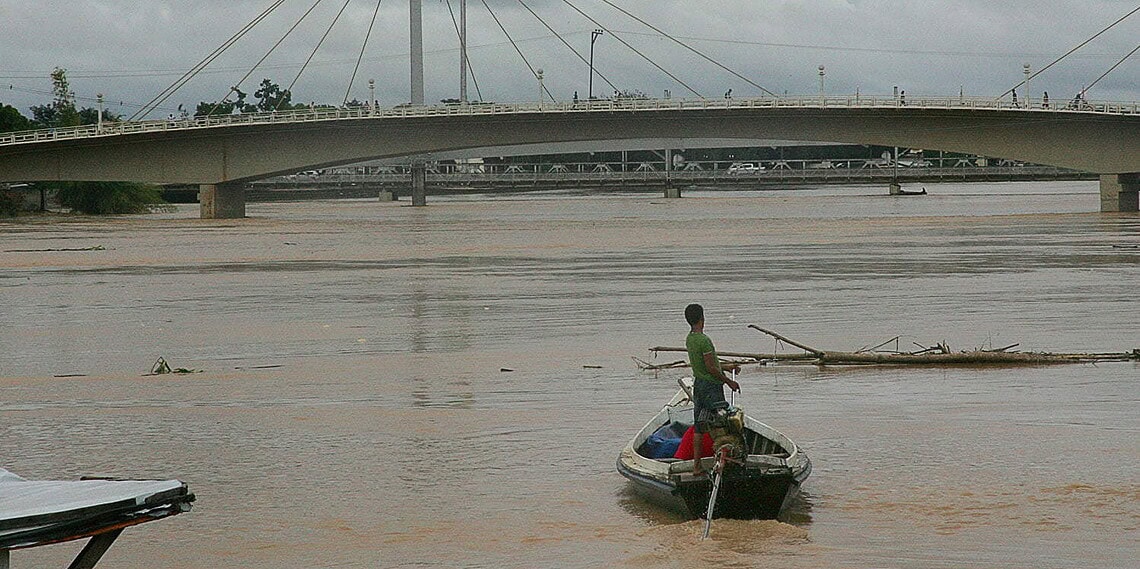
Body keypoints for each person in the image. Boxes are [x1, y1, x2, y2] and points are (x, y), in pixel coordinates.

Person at [684, 303, 740, 477]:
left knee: (700, 427)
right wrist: (728, 381)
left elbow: (707, 365)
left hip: (699, 385)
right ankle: (724, 462)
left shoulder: (690, 339)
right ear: (702, 318)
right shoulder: (704, 340)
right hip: (711, 388)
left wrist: (728, 366)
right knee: (722, 423)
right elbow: (711, 368)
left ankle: (697, 466)